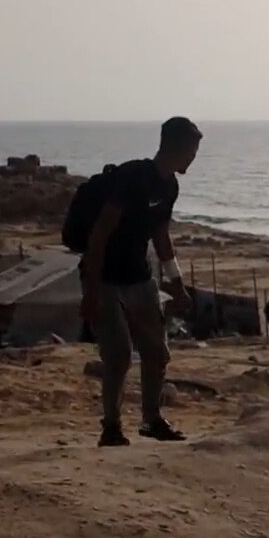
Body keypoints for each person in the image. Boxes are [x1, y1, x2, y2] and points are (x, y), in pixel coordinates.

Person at [79, 116, 203, 448]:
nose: (193, 158)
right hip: (104, 278)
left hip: (140, 277)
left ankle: (151, 420)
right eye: (191, 151)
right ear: (175, 146)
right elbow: (99, 234)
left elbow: (161, 238)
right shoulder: (134, 178)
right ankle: (111, 427)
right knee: (118, 355)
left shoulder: (169, 186)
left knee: (157, 353)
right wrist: (91, 291)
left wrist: (177, 283)